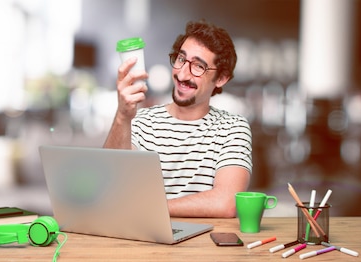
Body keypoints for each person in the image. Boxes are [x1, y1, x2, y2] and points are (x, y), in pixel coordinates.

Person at [103, 20, 252, 218]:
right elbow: (108, 183)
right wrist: (122, 116)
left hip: (205, 246)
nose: (182, 74)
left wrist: (147, 207)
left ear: (221, 78)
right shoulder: (141, 121)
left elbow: (227, 202)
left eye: (198, 66)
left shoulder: (233, 128)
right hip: (145, 242)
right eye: (181, 59)